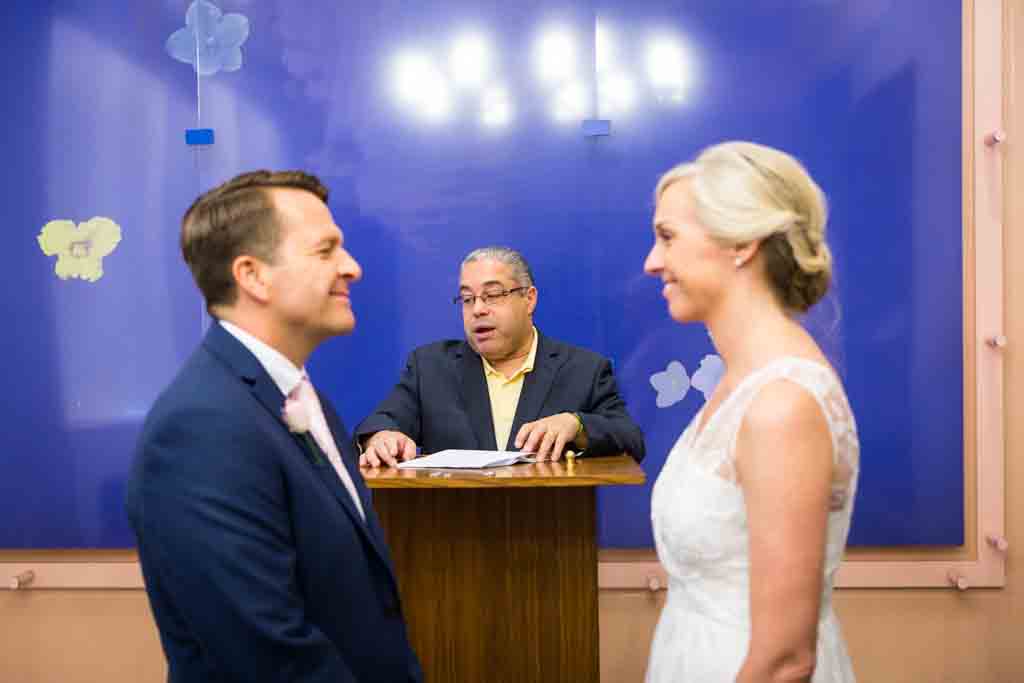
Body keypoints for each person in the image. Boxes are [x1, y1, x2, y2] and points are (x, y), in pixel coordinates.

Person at [125, 170, 422, 683]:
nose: (352, 268)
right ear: (253, 275)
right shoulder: (203, 427)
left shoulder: (307, 401)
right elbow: (268, 654)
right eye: (325, 250)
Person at [643, 142, 859, 682]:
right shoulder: (742, 385)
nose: (652, 262)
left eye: (667, 237)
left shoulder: (782, 405)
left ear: (741, 242)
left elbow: (785, 660)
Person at [355, 246, 645, 466]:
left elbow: (630, 439)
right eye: (467, 299)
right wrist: (380, 437)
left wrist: (577, 424)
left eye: (492, 295)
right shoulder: (430, 367)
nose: (478, 309)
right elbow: (383, 420)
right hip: (450, 535)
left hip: (551, 534)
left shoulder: (583, 369)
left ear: (529, 299)